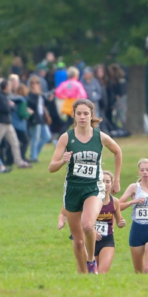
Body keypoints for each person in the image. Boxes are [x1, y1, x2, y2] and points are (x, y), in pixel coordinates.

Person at [48, 99, 122, 273]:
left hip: (93, 188)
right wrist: (62, 161)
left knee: (88, 225)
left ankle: (91, 262)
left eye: (86, 113)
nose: (82, 117)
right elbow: (51, 167)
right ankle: (83, 273)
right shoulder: (66, 137)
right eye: (79, 113)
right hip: (73, 190)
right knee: (78, 241)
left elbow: (118, 151)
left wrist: (116, 179)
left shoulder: (100, 136)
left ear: (91, 115)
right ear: (73, 115)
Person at [92, 171, 126, 274]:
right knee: (92, 273)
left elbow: (119, 221)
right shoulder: (91, 200)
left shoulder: (114, 201)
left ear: (111, 184)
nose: (105, 184)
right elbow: (81, 220)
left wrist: (121, 223)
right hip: (90, 241)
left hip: (107, 241)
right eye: (102, 181)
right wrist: (92, 231)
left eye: (108, 181)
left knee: (102, 273)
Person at [25, 77, 52, 163]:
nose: (35, 84)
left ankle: (35, 153)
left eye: (36, 83)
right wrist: (36, 94)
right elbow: (31, 104)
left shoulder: (40, 94)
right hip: (35, 119)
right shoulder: (30, 94)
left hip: (42, 118)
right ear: (30, 84)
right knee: (35, 138)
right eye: (32, 83)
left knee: (47, 136)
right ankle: (33, 156)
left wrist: (49, 100)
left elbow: (42, 106)